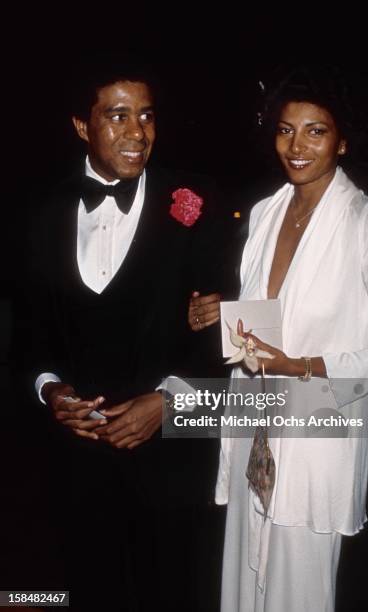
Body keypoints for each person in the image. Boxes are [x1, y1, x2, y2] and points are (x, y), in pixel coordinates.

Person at [191, 65, 368, 611]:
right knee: (243, 585)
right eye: (286, 129)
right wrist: (220, 313)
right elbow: (267, 320)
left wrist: (303, 367)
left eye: (316, 131)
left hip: (316, 439)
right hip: (253, 433)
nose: (296, 145)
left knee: (298, 594)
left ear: (341, 142)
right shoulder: (266, 213)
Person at [14, 58, 225, 612]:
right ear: (83, 127)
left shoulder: (199, 205)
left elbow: (230, 338)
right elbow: (28, 335)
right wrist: (50, 390)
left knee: (176, 593)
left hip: (172, 468)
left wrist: (170, 402)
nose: (138, 133)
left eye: (148, 117)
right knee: (89, 589)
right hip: (78, 468)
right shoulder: (41, 213)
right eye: (119, 116)